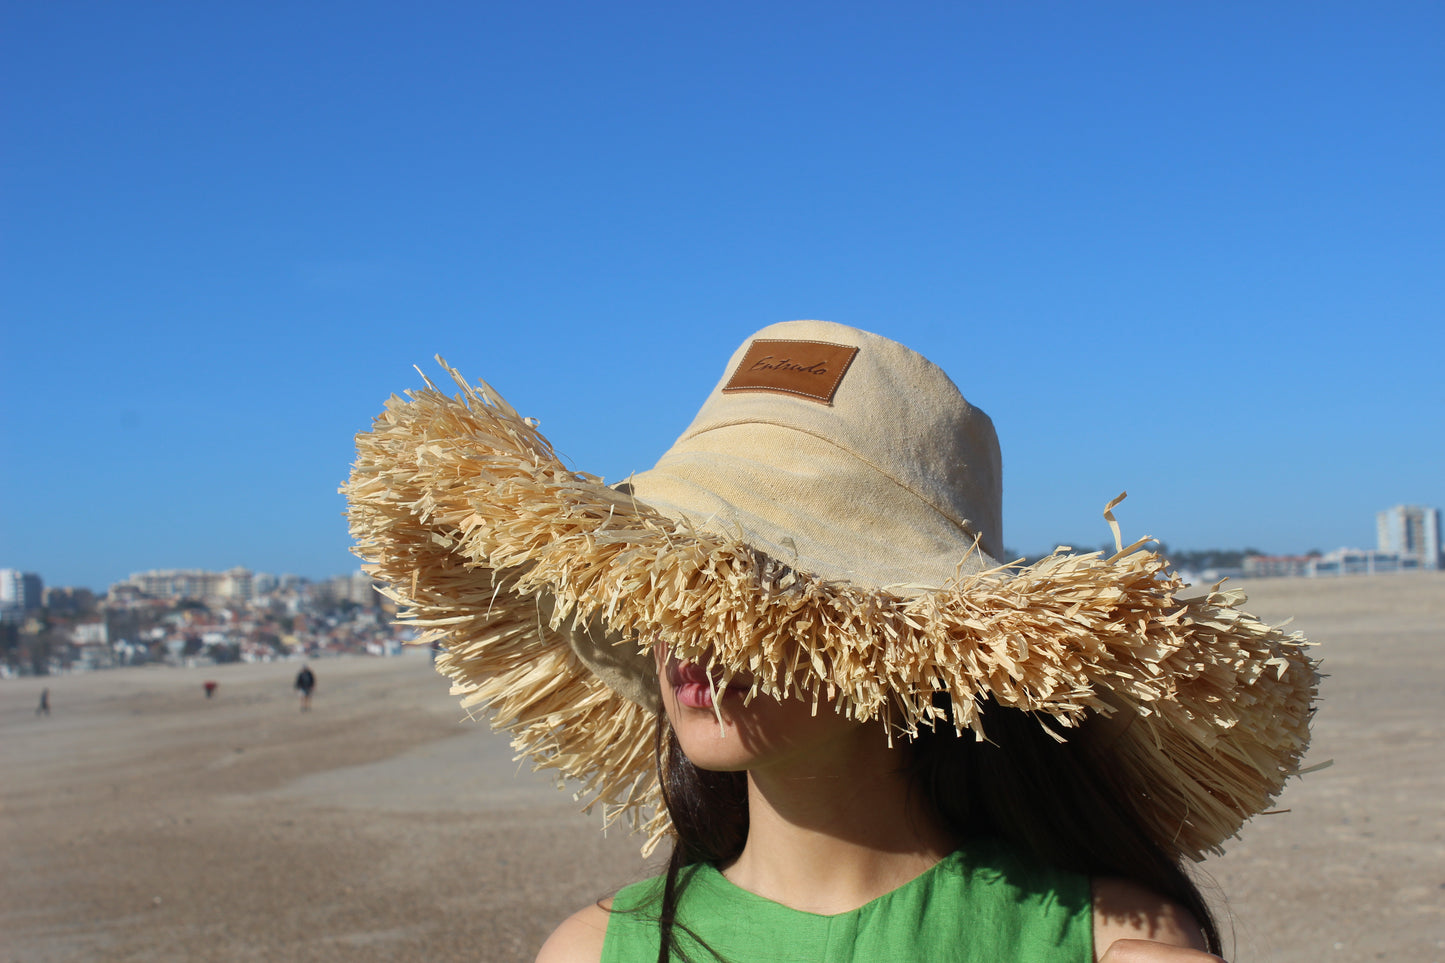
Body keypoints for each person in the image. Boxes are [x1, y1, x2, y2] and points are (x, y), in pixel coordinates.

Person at [344, 321, 1318, 962]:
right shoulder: (594, 953)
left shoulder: (1120, 945)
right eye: (669, 576)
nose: (690, 623)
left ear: (899, 641)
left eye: (752, 581)